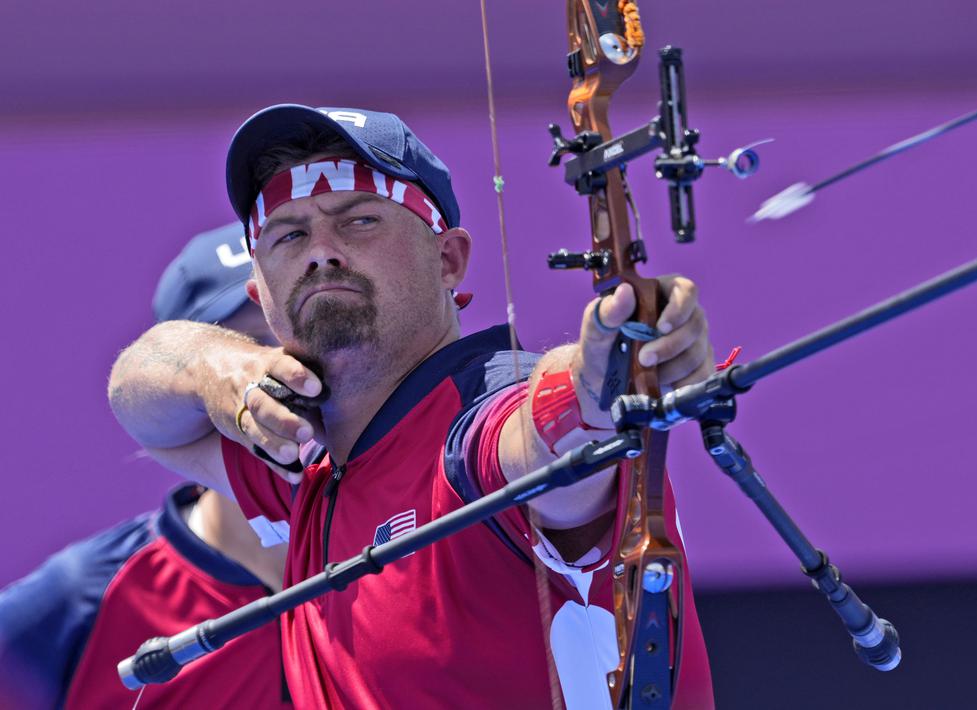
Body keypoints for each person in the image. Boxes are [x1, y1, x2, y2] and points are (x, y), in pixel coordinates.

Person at [108, 105, 716, 708]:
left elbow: (549, 445)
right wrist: (222, 367)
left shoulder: (477, 424)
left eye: (359, 221)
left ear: (448, 259)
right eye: (289, 234)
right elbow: (141, 400)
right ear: (258, 291)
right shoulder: (307, 454)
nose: (321, 251)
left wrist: (602, 379)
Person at [0, 224, 293, 709]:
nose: (278, 376)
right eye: (244, 348)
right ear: (174, 386)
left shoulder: (420, 558)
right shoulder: (84, 598)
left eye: (295, 342)